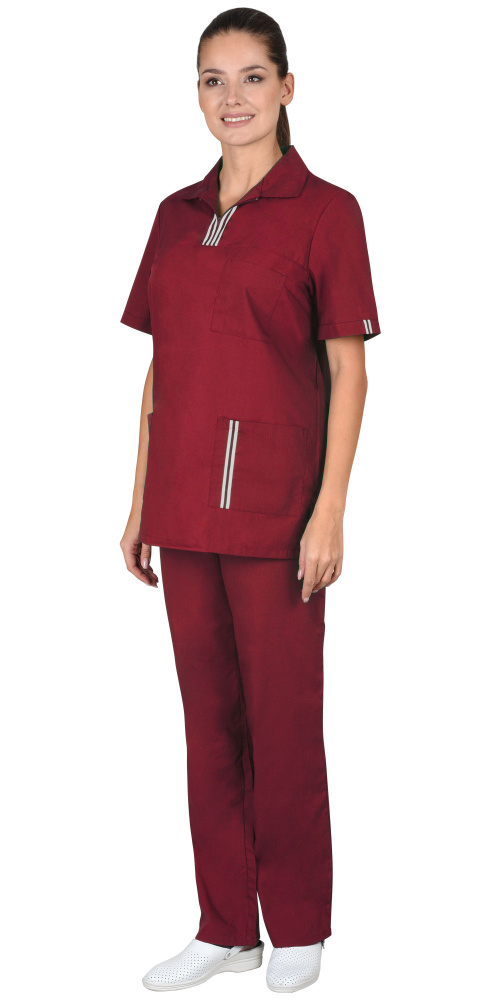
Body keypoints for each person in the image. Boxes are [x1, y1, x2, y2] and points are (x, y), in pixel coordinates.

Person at [119, 8, 381, 994]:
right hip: (182, 509)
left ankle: (299, 921)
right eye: (212, 80)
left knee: (282, 723)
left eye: (251, 77)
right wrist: (138, 501)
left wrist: (329, 511)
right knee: (208, 725)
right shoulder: (174, 214)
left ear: (286, 87)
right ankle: (225, 924)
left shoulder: (326, 212)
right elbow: (161, 371)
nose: (231, 98)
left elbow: (348, 372)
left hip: (276, 514)